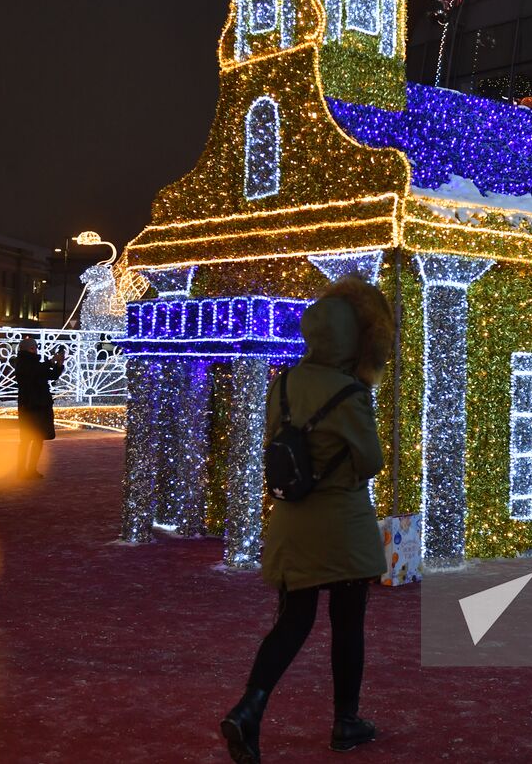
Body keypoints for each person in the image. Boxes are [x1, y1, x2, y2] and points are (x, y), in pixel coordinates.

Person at [221, 276, 394, 763]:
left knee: (292, 623)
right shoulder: (350, 393)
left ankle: (249, 708)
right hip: (341, 524)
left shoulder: (283, 384)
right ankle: (346, 721)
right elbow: (371, 460)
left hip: (291, 522)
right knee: (348, 624)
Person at [13, 337, 64, 480]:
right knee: (27, 440)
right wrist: (51, 361)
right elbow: (34, 372)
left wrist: (59, 365)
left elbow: (51, 375)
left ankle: (30, 469)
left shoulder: (34, 363)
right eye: (33, 347)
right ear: (29, 349)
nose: (36, 350)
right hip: (30, 406)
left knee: (37, 440)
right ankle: (23, 470)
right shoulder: (23, 363)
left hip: (39, 406)